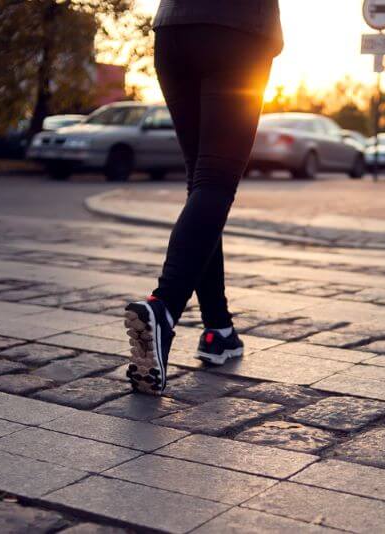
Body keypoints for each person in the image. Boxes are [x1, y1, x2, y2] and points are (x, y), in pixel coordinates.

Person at [123, 0, 283, 395]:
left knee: (203, 184)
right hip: (237, 30)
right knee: (214, 181)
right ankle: (164, 308)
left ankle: (219, 330)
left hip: (173, 31)